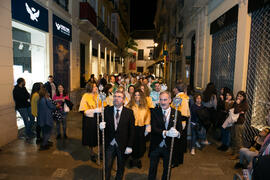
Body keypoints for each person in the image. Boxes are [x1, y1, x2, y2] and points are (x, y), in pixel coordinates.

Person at [99, 90, 135, 180]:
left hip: (123, 144)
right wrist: (100, 127)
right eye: (115, 96)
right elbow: (102, 126)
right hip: (110, 144)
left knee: (121, 167)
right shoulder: (107, 110)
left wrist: (129, 146)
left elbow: (132, 131)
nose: (116, 98)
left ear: (123, 100)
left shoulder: (129, 113)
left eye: (119, 97)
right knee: (107, 166)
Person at [148, 91, 183, 180]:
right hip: (156, 144)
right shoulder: (154, 112)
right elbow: (154, 128)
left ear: (170, 100)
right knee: (152, 168)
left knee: (167, 169)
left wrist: (177, 134)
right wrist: (166, 133)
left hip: (169, 146)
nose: (163, 102)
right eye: (161, 100)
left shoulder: (176, 113)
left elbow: (180, 130)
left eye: (165, 100)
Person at [79, 82, 104, 162]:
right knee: (91, 137)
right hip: (90, 120)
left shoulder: (99, 95)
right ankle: (92, 153)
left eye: (96, 86)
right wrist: (94, 110)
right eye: (94, 87)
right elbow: (84, 110)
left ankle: (101, 153)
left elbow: (104, 105)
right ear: (90, 88)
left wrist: (102, 108)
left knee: (100, 136)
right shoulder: (85, 96)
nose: (96, 88)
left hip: (99, 118)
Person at [127, 89, 151, 168]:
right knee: (131, 144)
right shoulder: (129, 105)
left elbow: (147, 117)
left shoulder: (145, 106)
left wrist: (147, 127)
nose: (137, 97)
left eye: (139, 95)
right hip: (131, 128)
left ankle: (137, 160)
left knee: (140, 145)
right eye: (135, 95)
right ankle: (132, 159)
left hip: (141, 129)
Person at [230, 91, 249, 160]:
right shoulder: (237, 102)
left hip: (239, 123)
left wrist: (237, 105)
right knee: (233, 136)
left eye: (240, 96)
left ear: (244, 97)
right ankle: (234, 151)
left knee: (238, 139)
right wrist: (236, 105)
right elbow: (232, 109)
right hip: (234, 121)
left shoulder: (245, 104)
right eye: (238, 96)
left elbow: (236, 111)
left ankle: (238, 154)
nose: (238, 97)